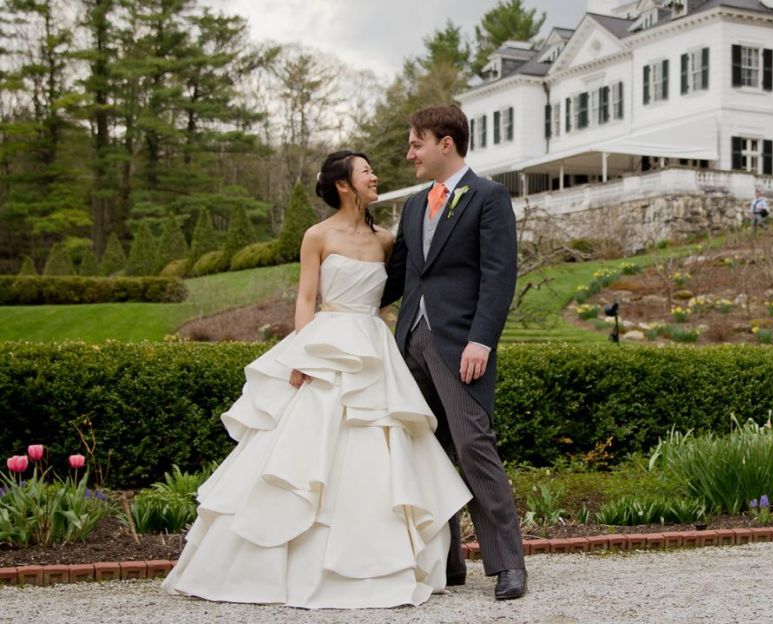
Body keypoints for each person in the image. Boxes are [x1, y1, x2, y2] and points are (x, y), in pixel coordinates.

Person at [161, 150, 471, 609]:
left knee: (379, 452)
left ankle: (380, 560)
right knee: (303, 451)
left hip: (373, 347)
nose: (375, 176)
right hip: (325, 346)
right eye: (366, 171)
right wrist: (303, 355)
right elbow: (306, 300)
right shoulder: (316, 236)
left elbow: (397, 290)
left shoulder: (386, 239)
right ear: (344, 184)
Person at [381, 105, 526, 601]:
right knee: (427, 453)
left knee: (471, 447)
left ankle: (507, 563)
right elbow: (399, 274)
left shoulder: (488, 197)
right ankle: (447, 561)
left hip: (461, 343)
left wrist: (481, 340)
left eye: (416, 143)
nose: (409, 153)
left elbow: (499, 274)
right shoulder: (415, 205)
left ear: (447, 143)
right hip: (410, 344)